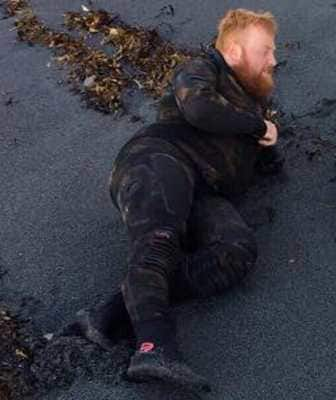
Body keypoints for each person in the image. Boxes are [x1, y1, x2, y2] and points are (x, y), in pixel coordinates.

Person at [65, 9, 282, 392]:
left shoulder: (249, 107)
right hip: (158, 159)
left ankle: (109, 313)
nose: (274, 60)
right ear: (233, 51)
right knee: (159, 240)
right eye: (265, 50)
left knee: (236, 250)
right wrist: (256, 126)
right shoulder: (201, 69)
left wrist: (268, 146)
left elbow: (259, 164)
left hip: (203, 188)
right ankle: (155, 344)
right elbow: (198, 107)